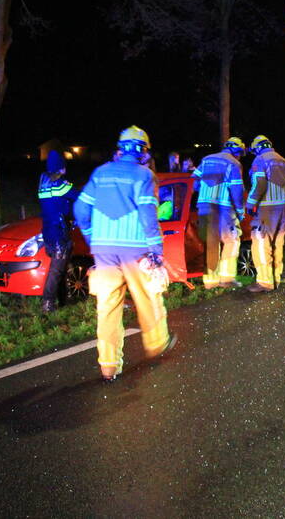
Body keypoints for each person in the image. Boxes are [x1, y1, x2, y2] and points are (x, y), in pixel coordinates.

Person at [73, 126, 175, 382]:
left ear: (120, 149)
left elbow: (80, 208)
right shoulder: (144, 175)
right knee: (148, 298)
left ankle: (108, 366)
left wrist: (91, 235)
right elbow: (148, 215)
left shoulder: (100, 173)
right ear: (143, 152)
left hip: (104, 251)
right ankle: (157, 343)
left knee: (107, 308)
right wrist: (156, 251)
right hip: (135, 250)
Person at [244, 135, 285, 292]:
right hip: (282, 208)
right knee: (278, 243)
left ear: (258, 148)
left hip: (265, 209)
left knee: (261, 244)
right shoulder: (282, 160)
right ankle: (276, 278)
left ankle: (264, 281)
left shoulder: (259, 160)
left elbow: (260, 184)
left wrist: (250, 203)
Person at [192, 137, 247, 288]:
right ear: (237, 151)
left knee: (211, 242)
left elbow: (194, 180)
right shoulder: (234, 164)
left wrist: (203, 191)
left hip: (203, 207)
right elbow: (237, 190)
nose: (240, 156)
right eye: (240, 153)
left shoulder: (207, 159)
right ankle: (226, 279)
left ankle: (210, 281)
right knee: (232, 240)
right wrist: (240, 211)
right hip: (224, 208)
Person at [37, 150, 75, 314]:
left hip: (48, 232)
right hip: (59, 232)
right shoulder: (60, 184)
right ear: (61, 168)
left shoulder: (43, 181)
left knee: (59, 268)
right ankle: (48, 304)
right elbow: (78, 195)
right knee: (57, 270)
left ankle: (62, 300)